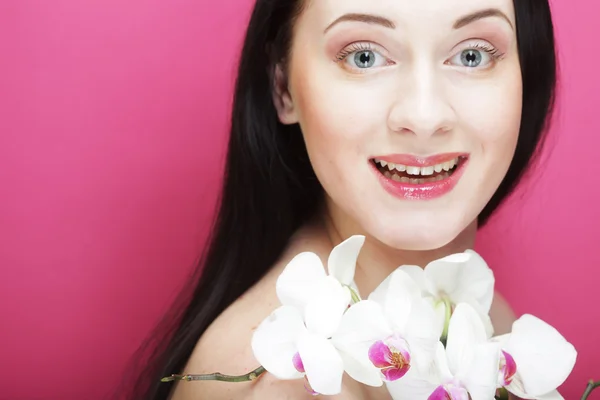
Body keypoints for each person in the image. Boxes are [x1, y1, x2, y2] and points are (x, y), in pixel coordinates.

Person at [124, 0, 557, 398]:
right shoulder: (273, 386)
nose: (424, 117)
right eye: (363, 56)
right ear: (283, 86)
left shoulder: (490, 323)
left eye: (472, 54)